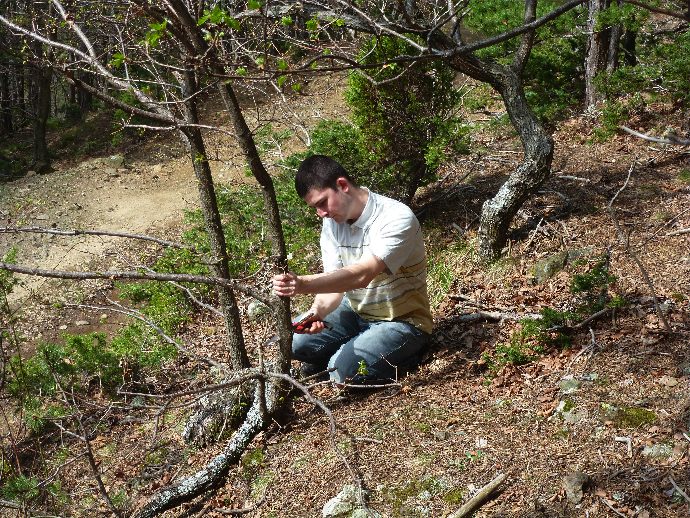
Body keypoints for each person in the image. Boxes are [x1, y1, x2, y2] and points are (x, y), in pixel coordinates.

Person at [272, 155, 433, 384]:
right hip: (356, 311)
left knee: (340, 372)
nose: (321, 213)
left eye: (322, 203)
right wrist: (316, 312)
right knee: (293, 341)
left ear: (342, 185)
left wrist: (303, 284)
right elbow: (333, 284)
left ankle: (406, 353)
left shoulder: (396, 217)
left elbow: (362, 274)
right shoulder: (332, 224)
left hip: (402, 321)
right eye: (315, 207)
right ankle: (358, 348)